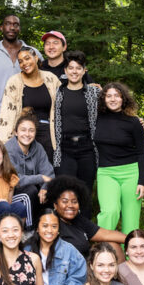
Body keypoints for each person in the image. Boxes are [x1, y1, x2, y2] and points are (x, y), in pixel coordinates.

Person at [95, 82, 144, 234]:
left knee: (131, 220)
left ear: (123, 99)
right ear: (104, 99)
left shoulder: (134, 122)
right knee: (109, 212)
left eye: (117, 96)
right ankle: (103, 253)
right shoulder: (96, 119)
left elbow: (142, 153)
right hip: (106, 173)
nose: (113, 99)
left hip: (131, 173)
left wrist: (141, 182)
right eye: (109, 96)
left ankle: (129, 255)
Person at [0, 47, 60, 161]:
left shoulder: (50, 78)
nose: (24, 63)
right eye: (20, 61)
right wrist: (4, 143)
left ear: (36, 58)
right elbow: (7, 113)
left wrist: (87, 86)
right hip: (23, 129)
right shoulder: (14, 81)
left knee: (46, 164)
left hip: (47, 129)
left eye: (27, 58)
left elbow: (64, 97)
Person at [51, 51, 99, 203]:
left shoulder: (94, 92)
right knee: (65, 192)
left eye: (78, 68)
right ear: (65, 71)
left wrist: (135, 118)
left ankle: (83, 227)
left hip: (87, 148)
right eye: (71, 68)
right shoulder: (58, 92)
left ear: (84, 70)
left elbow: (114, 107)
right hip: (65, 149)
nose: (74, 71)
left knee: (85, 193)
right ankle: (66, 227)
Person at [45, 175, 125, 260]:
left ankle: (124, 273)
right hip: (66, 268)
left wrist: (134, 239)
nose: (70, 205)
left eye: (74, 202)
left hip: (86, 264)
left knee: (113, 246)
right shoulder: (51, 222)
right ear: (55, 205)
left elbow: (106, 234)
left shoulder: (79, 220)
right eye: (65, 201)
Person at [0, 15, 40, 129]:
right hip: (0, 113)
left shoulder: (32, 52)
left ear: (19, 29)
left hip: (28, 113)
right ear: (1, 27)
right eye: (8, 24)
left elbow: (44, 78)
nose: (12, 27)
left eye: (15, 25)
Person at [5, 114, 55, 215]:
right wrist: (40, 178)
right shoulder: (8, 149)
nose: (27, 134)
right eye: (23, 130)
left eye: (31, 130)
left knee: (51, 191)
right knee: (31, 190)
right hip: (10, 194)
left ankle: (48, 226)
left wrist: (45, 188)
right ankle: (29, 229)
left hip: (32, 191)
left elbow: (49, 175)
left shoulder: (38, 148)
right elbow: (16, 180)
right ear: (16, 132)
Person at [0, 138, 30, 225]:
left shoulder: (10, 177)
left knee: (20, 207)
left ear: (3, 154)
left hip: (4, 211)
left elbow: (9, 203)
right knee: (3, 205)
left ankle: (19, 232)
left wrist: (3, 203)